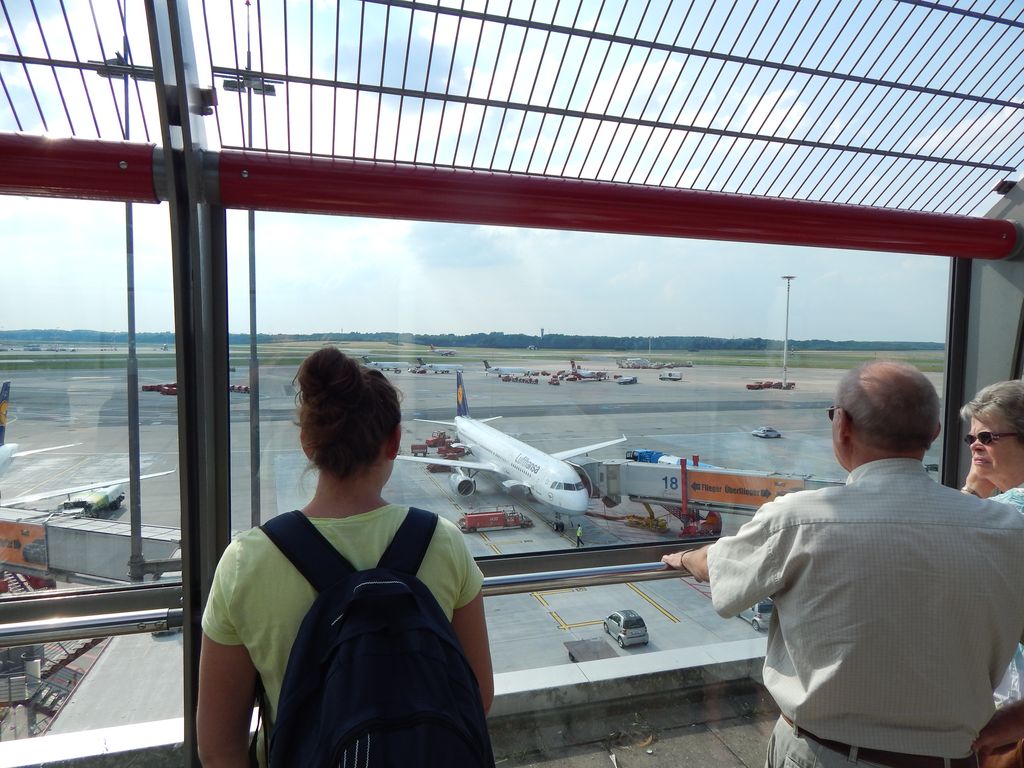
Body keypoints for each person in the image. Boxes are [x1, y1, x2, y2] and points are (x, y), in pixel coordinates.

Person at [662, 360, 1024, 767]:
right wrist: (997, 729)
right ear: (935, 432)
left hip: (824, 754)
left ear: (843, 426)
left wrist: (684, 557)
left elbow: (718, 569)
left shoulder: (799, 518)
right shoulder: (1009, 529)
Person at [196, 347, 493, 767]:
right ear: (394, 442)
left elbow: (217, 747)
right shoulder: (444, 542)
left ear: (307, 443)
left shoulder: (245, 561)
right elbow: (478, 696)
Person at [959, 380, 1024, 761]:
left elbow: (942, 550)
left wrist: (971, 492)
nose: (975, 447)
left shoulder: (1007, 514)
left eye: (988, 437)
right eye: (971, 439)